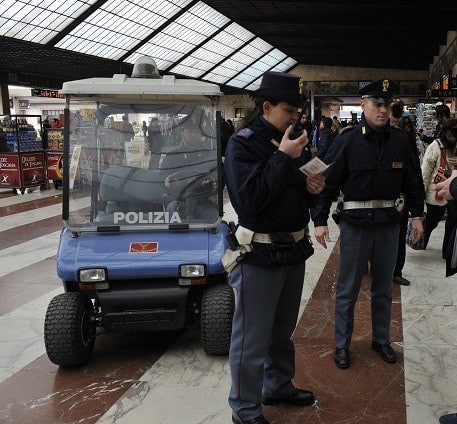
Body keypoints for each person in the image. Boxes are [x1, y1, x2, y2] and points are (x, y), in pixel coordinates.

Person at [223, 71, 324, 424]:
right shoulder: (243, 144)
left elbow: (304, 187)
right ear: (266, 107)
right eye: (287, 111)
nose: (294, 118)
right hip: (259, 255)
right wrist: (282, 156)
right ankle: (246, 409)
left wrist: (314, 188)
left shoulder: (296, 140)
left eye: (296, 111)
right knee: (252, 339)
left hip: (293, 250)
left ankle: (278, 385)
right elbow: (251, 200)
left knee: (282, 332)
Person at [312, 78, 425, 369]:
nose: (383, 110)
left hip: (389, 225)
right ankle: (342, 345)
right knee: (348, 288)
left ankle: (381, 340)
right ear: (363, 104)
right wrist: (320, 220)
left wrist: (417, 215)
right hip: (356, 226)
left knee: (384, 287)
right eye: (377, 104)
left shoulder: (401, 141)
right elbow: (326, 180)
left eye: (387, 105)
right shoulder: (347, 139)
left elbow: (412, 181)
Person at [391, 107, 425, 286]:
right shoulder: (359, 138)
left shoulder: (404, 140)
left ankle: (396, 271)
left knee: (399, 235)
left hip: (399, 200)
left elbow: (414, 175)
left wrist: (417, 212)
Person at [420, 118, 457, 257]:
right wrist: (421, 193)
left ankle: (447, 252)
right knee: (431, 221)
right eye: (450, 134)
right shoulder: (435, 146)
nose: (453, 138)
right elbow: (425, 171)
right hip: (437, 191)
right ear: (445, 133)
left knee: (452, 223)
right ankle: (421, 241)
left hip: (454, 191)